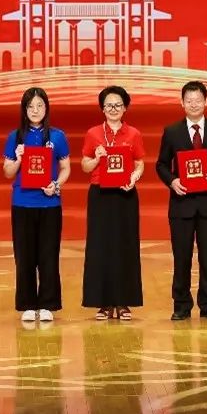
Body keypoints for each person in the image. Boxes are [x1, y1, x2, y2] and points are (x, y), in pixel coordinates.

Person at [156, 81, 207, 321]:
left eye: (198, 100)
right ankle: (181, 305)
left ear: (206, 101)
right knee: (181, 257)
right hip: (181, 203)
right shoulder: (172, 131)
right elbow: (161, 164)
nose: (194, 104)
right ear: (182, 103)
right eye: (189, 100)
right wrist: (172, 181)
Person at [2, 87, 71, 323]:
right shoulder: (15, 137)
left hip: (49, 203)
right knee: (24, 256)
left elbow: (66, 168)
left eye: (40, 106)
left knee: (49, 255)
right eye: (30, 106)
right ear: (24, 109)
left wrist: (56, 185)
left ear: (46, 108)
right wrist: (19, 158)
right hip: (22, 202)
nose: (35, 110)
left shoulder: (57, 136)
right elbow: (8, 172)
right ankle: (28, 304)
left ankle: (48, 303)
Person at [81, 86, 146, 321]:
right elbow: (85, 165)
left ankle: (123, 302)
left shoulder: (134, 134)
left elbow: (139, 163)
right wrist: (96, 158)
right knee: (100, 247)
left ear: (125, 107)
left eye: (118, 105)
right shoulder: (93, 133)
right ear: (102, 108)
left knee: (126, 246)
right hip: (100, 194)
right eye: (109, 105)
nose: (113, 109)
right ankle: (104, 303)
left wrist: (134, 178)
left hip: (125, 194)